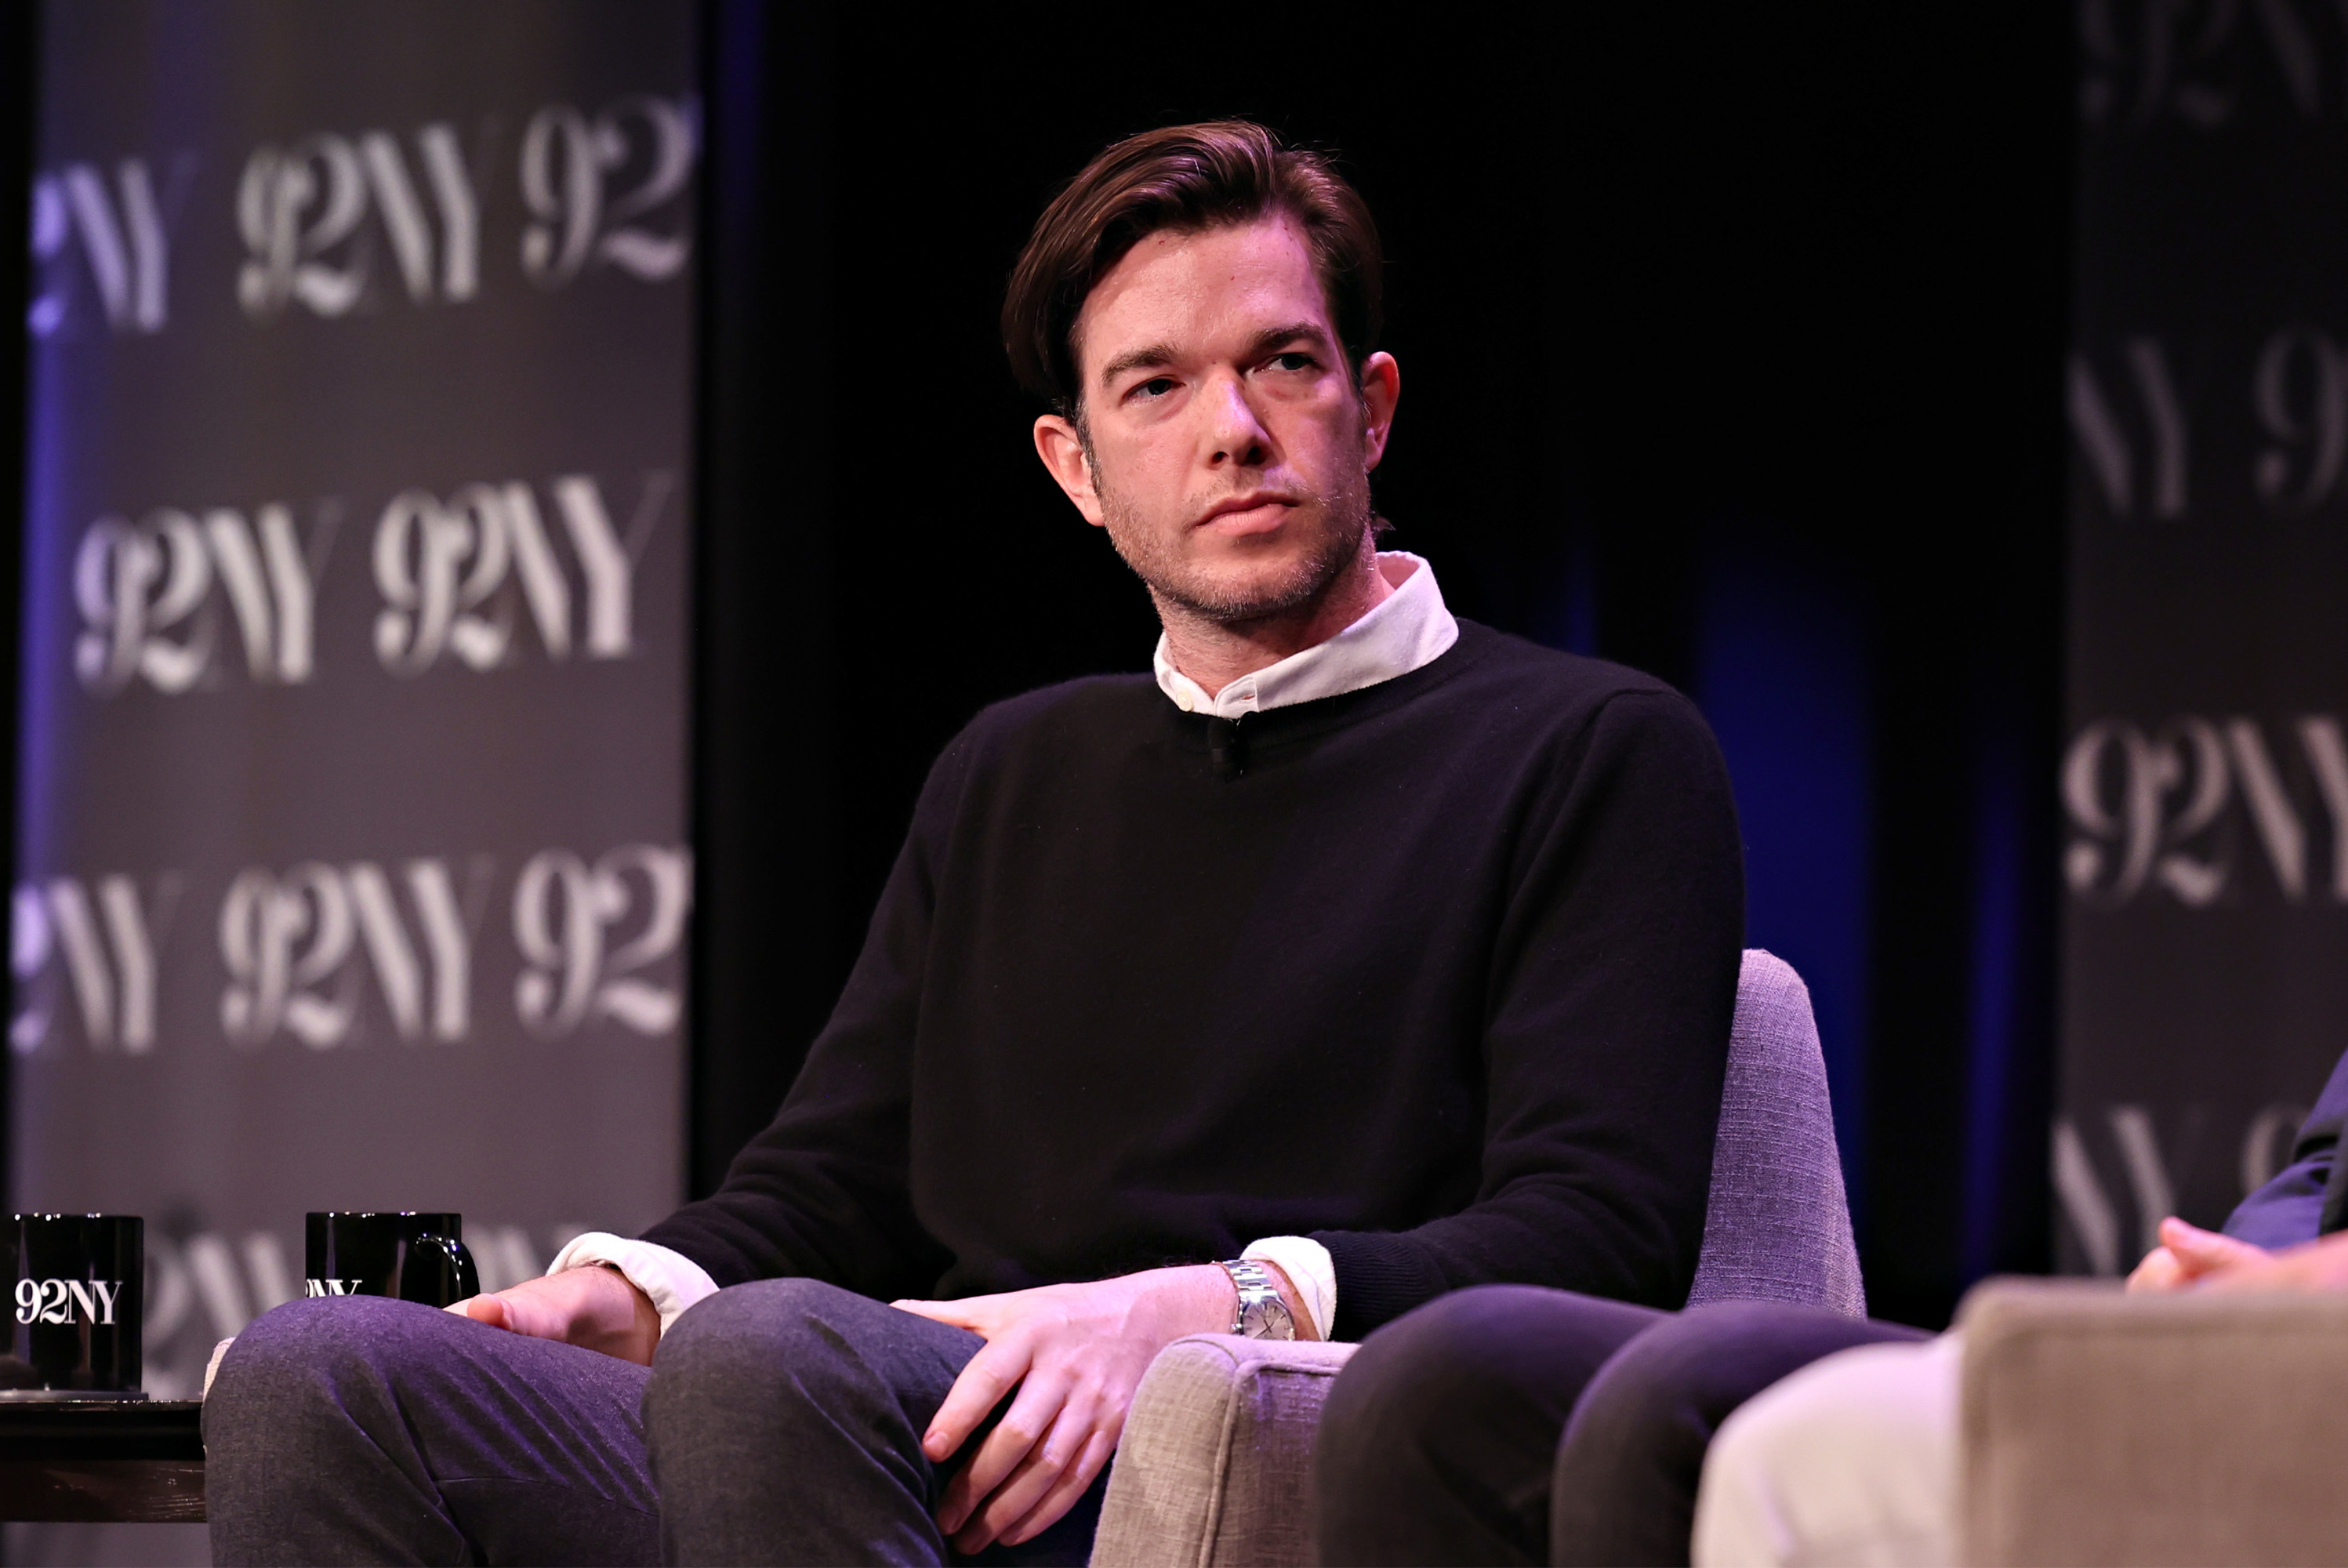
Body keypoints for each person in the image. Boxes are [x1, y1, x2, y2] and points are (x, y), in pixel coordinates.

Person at [202, 121, 1746, 1566]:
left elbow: (1593, 1235)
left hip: (1244, 1431)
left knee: (771, 1358)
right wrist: (627, 1289)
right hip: (898, 1421)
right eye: (1157, 386)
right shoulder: (1011, 768)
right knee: (317, 1370)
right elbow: (826, 1179)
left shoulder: (1590, 750)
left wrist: (1197, 1312)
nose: (1235, 431)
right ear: (1076, 468)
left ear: (1375, 404)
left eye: (1284, 362)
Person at [1312, 1047, 2348, 1568]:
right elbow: (2324, 1171)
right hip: (2264, 1349)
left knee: (1683, 1401)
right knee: (1447, 1380)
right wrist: (2241, 1279)